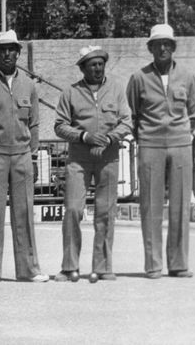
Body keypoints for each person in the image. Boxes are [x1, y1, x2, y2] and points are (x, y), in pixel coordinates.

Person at [0, 29, 48, 284]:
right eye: (2, 50)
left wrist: (33, 157)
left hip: (23, 156)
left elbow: (34, 124)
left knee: (24, 212)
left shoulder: (29, 85)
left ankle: (29, 268)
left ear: (18, 53)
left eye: (11, 50)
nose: (7, 54)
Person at [52, 46, 132, 283]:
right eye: (92, 65)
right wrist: (84, 137)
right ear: (82, 68)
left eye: (100, 64)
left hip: (108, 157)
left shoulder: (116, 89)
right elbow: (60, 125)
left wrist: (108, 139)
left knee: (105, 211)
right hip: (79, 159)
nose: (97, 68)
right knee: (73, 209)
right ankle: (69, 267)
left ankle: (103, 267)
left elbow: (126, 122)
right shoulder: (70, 92)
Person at [126, 23, 195, 279]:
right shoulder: (139, 77)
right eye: (157, 44)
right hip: (150, 144)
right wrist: (145, 137)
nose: (163, 48)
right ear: (150, 48)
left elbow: (194, 112)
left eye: (167, 44)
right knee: (150, 205)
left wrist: (182, 134)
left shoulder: (187, 76)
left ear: (173, 47)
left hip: (180, 144)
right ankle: (153, 264)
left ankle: (178, 264)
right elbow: (133, 113)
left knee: (180, 204)